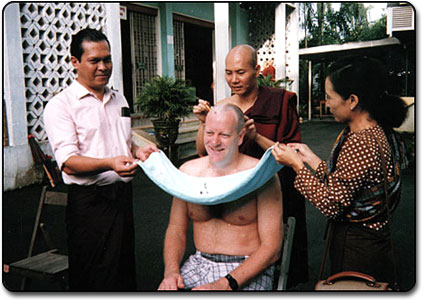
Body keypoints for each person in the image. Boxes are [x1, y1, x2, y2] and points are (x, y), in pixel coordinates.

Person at [271, 56, 408, 288]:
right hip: (371, 239)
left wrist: (296, 166)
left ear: (352, 100)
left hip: (357, 246)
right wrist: (311, 159)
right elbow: (347, 182)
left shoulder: (360, 142)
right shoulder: (373, 130)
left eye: (329, 96)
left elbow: (333, 204)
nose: (327, 103)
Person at [43, 28, 158, 291]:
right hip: (89, 204)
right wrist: (110, 163)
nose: (103, 67)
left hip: (122, 197)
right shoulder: (61, 106)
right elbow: (69, 161)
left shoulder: (118, 98)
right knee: (94, 276)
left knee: (124, 271)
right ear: (75, 61)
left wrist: (138, 151)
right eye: (94, 60)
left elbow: (123, 139)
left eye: (107, 59)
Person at [193, 44, 308, 287]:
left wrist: (256, 137)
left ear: (256, 70)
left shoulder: (281, 101)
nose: (233, 80)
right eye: (228, 72)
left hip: (275, 190)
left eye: (241, 72)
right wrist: (205, 123)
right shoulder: (223, 105)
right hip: (236, 192)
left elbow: (293, 154)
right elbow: (203, 151)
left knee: (276, 259)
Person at [158, 104, 283, 291]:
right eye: (209, 133)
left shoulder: (260, 175)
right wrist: (171, 272)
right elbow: (176, 229)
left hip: (247, 267)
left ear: (240, 136)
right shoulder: (188, 173)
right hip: (200, 263)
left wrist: (226, 284)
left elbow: (271, 248)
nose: (214, 142)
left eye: (224, 135)